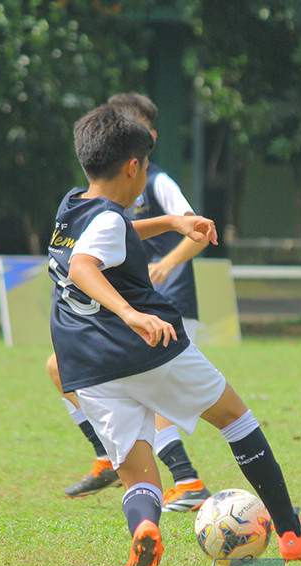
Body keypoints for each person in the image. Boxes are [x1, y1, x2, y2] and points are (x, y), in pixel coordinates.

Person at [49, 104, 301, 566]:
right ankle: (291, 530)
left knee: (137, 472)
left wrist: (170, 223)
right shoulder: (106, 222)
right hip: (142, 348)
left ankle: (146, 526)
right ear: (133, 167)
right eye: (145, 167)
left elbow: (109, 236)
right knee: (235, 416)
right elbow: (86, 266)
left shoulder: (72, 207)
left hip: (87, 364)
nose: (145, 174)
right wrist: (132, 314)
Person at [48, 92, 211, 513]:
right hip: (125, 302)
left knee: (146, 387)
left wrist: (167, 264)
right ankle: (113, 456)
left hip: (160, 302)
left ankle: (185, 479)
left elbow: (197, 231)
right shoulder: (96, 197)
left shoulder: (157, 181)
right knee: (59, 367)